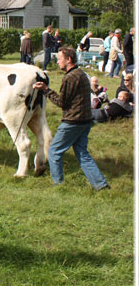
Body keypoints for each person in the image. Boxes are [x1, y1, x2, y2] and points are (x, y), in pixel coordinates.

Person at [33, 46, 110, 191]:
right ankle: (100, 185)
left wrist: (45, 90)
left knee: (54, 151)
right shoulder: (81, 73)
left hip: (73, 121)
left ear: (68, 60)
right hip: (86, 120)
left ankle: (58, 185)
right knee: (82, 153)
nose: (57, 62)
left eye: (60, 59)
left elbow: (62, 103)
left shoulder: (70, 77)